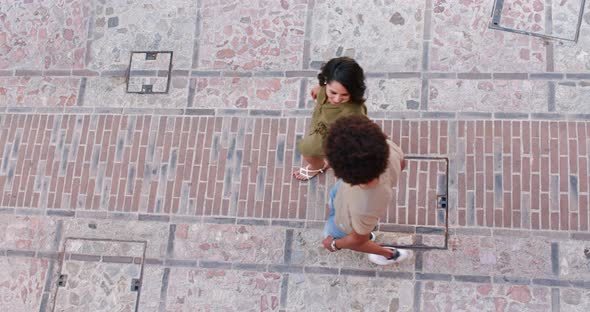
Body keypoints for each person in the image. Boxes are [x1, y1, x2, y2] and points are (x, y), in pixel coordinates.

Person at [321, 115, 409, 265]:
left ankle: (389, 254)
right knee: (333, 202)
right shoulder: (388, 147)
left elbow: (357, 240)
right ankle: (368, 235)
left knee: (331, 231)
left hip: (348, 222)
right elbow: (402, 164)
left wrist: (335, 244)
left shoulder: (364, 207)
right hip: (345, 195)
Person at [293, 57, 368, 181]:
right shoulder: (324, 88)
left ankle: (317, 167)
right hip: (320, 124)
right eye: (333, 92)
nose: (337, 99)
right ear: (326, 81)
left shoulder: (354, 112)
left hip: (330, 136)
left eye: (344, 95)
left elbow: (361, 131)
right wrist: (320, 88)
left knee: (309, 152)